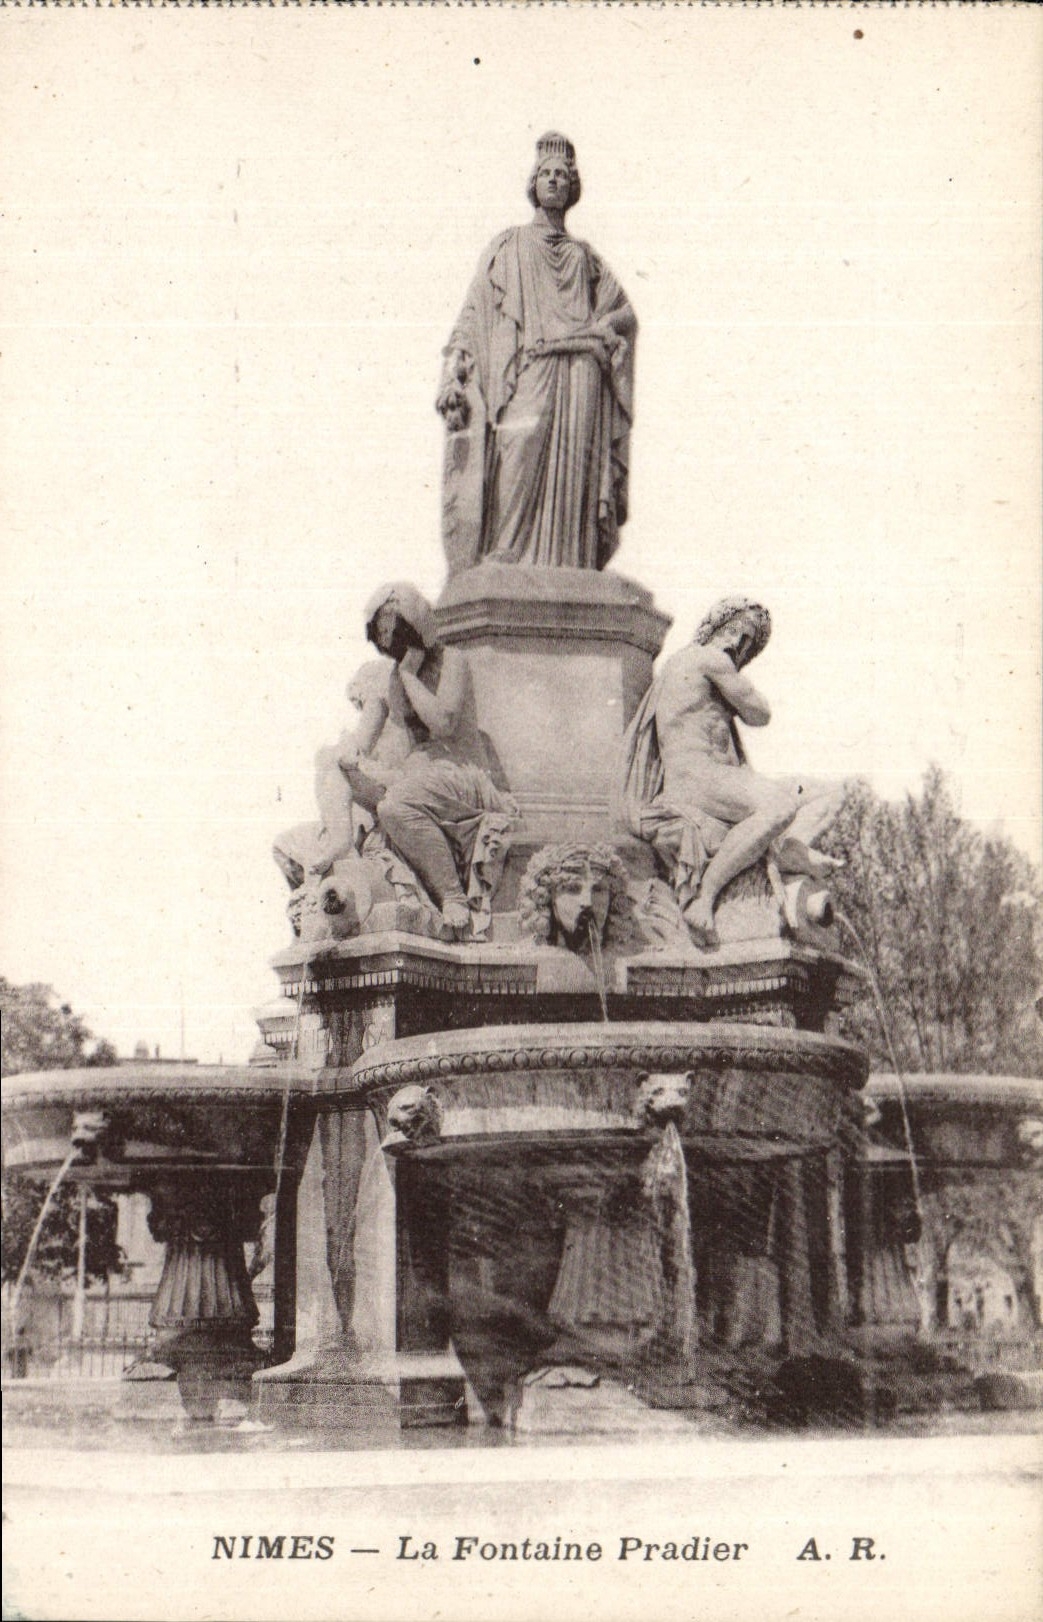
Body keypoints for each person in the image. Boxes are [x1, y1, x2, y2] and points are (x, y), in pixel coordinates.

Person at [437, 132, 636, 571]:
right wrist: (453, 373)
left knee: (573, 475)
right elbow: (474, 315)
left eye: (562, 176)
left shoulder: (585, 256)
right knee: (518, 446)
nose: (554, 182)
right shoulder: (509, 245)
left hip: (581, 373)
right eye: (546, 174)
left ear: (573, 187)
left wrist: (602, 328)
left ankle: (571, 563)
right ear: (533, 182)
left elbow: (624, 314)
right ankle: (506, 548)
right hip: (532, 367)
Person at [620, 596, 843, 946]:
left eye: (750, 640)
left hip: (715, 780)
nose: (741, 643)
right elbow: (760, 713)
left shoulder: (685, 666)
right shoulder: (708, 658)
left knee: (821, 792)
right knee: (782, 806)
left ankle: (791, 852)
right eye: (741, 632)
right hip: (698, 780)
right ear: (721, 628)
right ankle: (705, 896)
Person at [338, 582, 518, 937]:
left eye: (398, 631)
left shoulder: (453, 661)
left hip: (462, 774)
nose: (393, 644)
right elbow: (365, 737)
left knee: (394, 807)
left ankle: (452, 896)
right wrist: (350, 754)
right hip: (419, 775)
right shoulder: (392, 677)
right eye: (385, 635)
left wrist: (408, 675)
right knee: (335, 768)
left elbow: (443, 723)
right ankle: (337, 849)